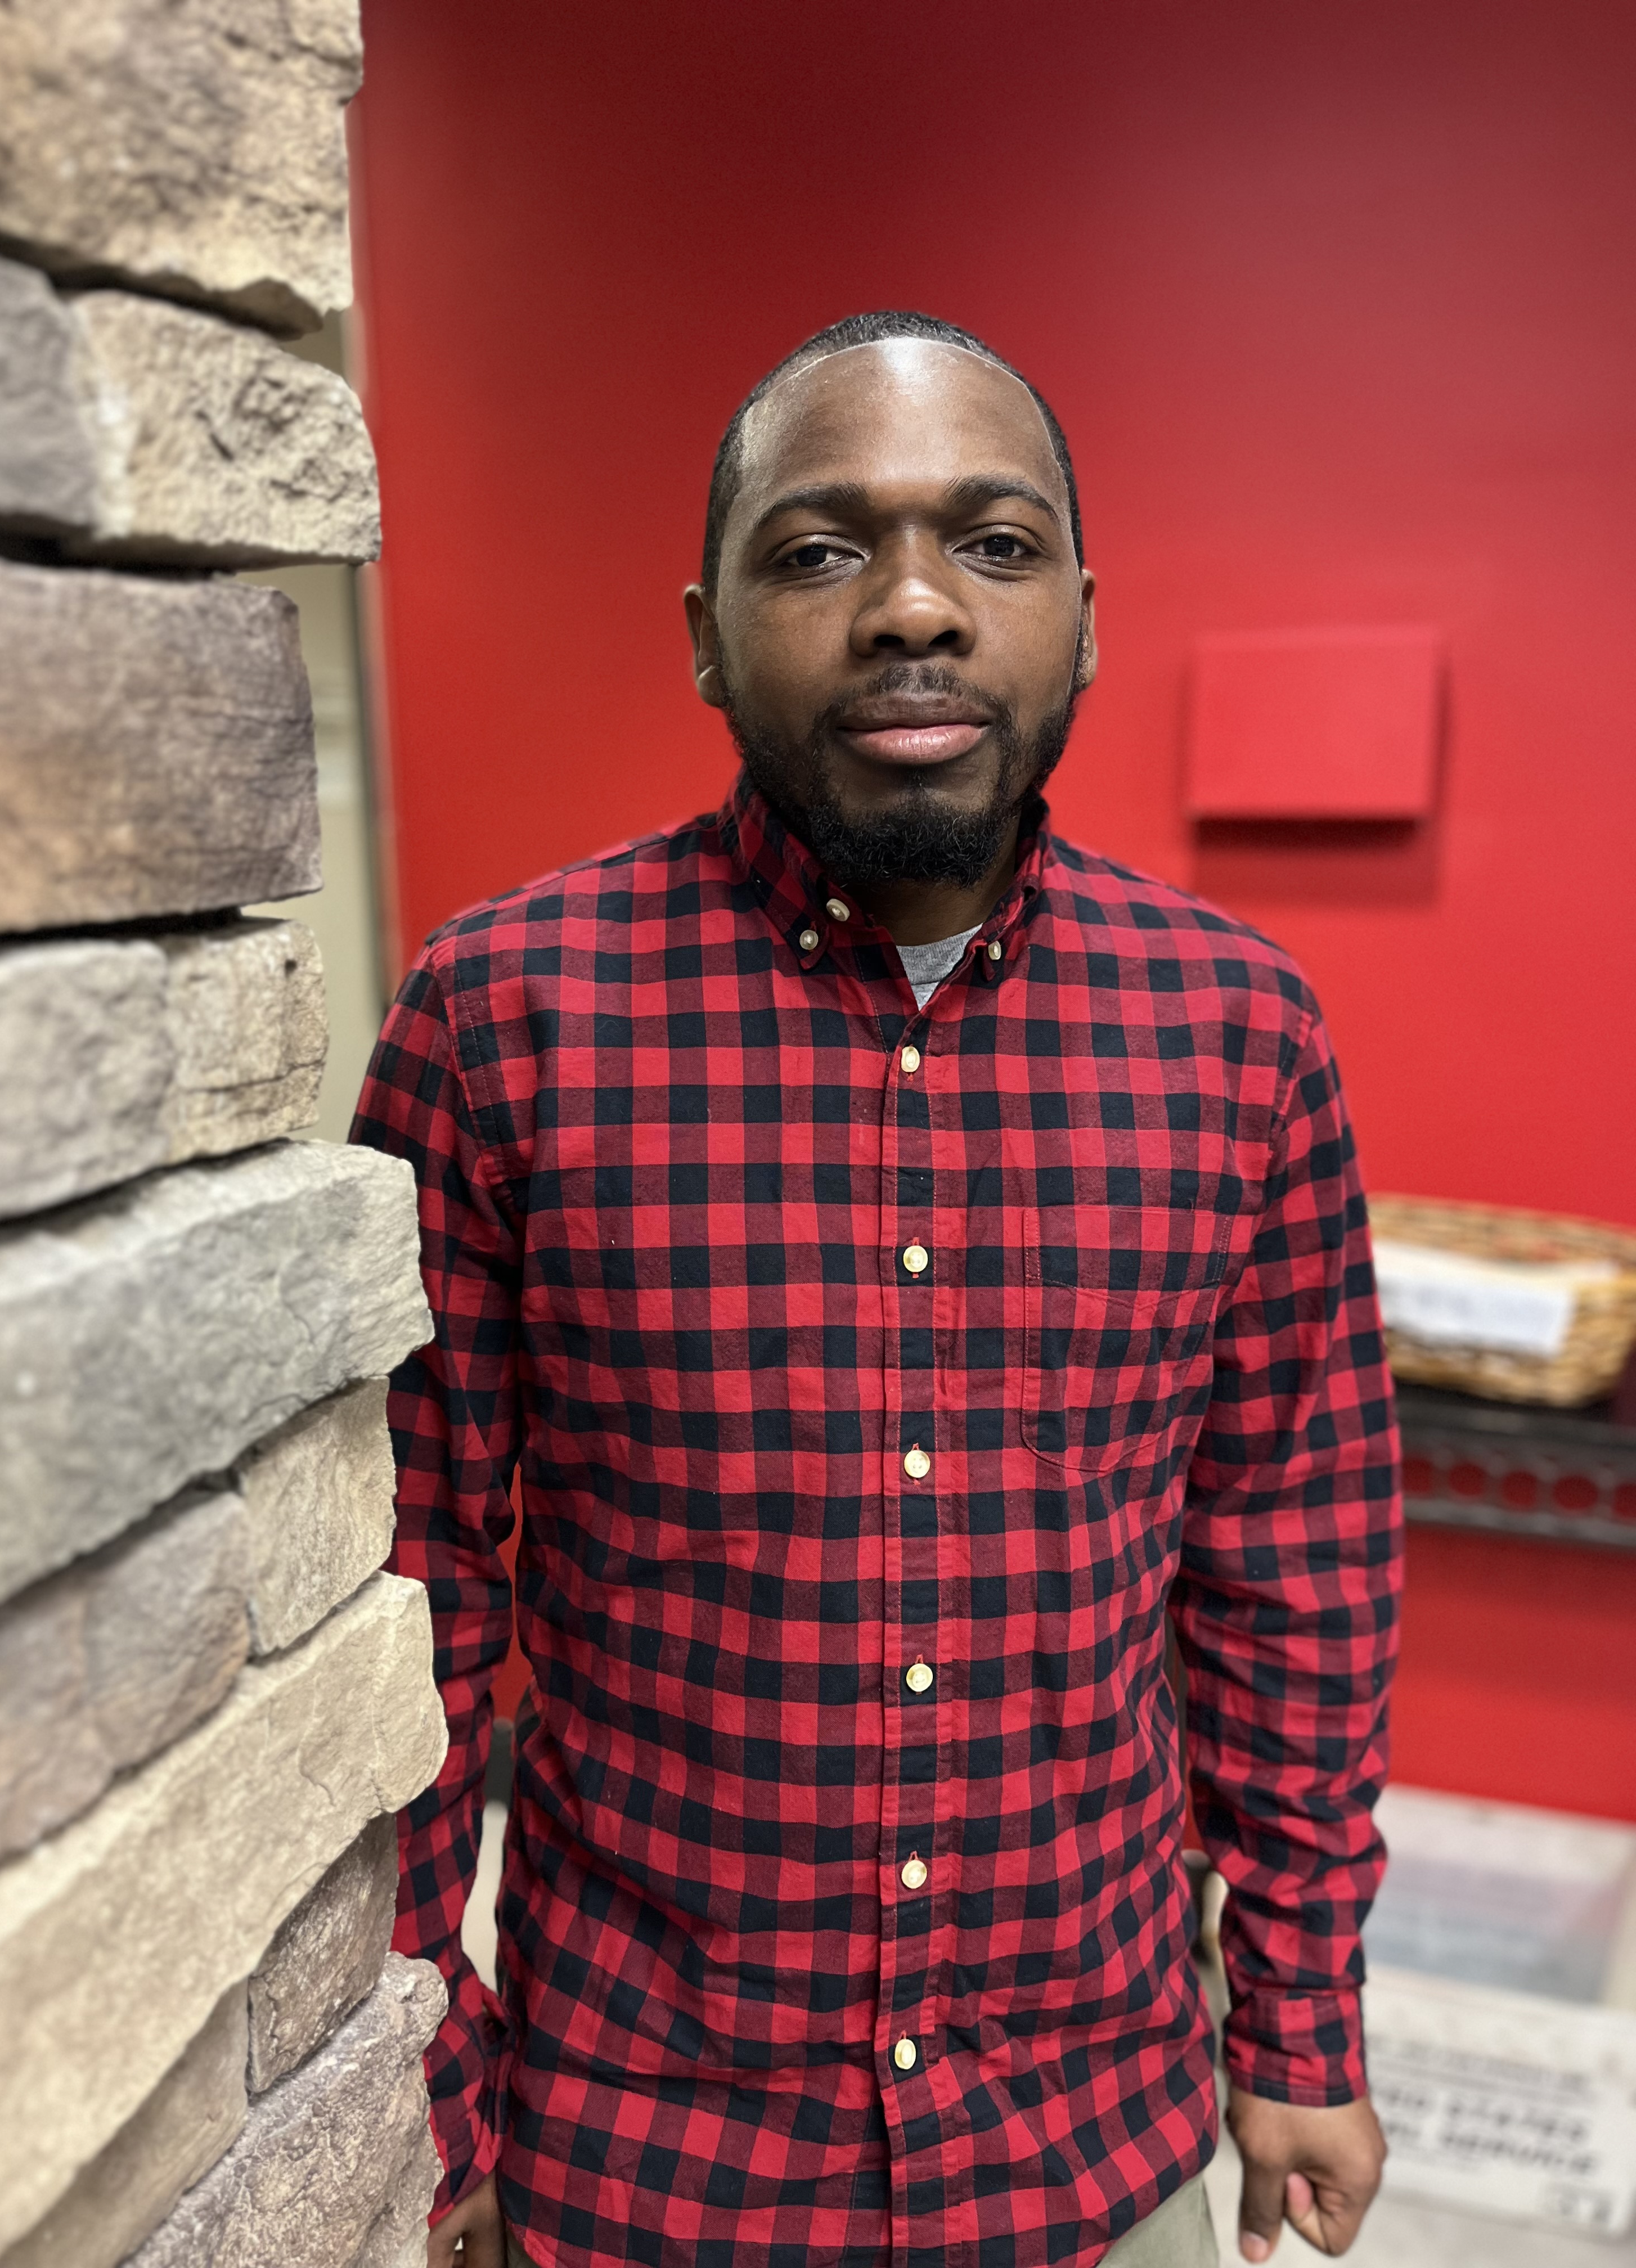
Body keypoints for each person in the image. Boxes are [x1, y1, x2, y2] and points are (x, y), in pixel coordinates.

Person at [353, 310, 1401, 2268]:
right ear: (705, 635)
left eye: (993, 545)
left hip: (1094, 2139)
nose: (914, 607)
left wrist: (1301, 2019)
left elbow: (1295, 1564)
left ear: (1085, 619)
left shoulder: (1241, 1033)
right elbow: (404, 1607)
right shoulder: (501, 1021)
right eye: (820, 549)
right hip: (644, 2152)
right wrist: (426, 2095)